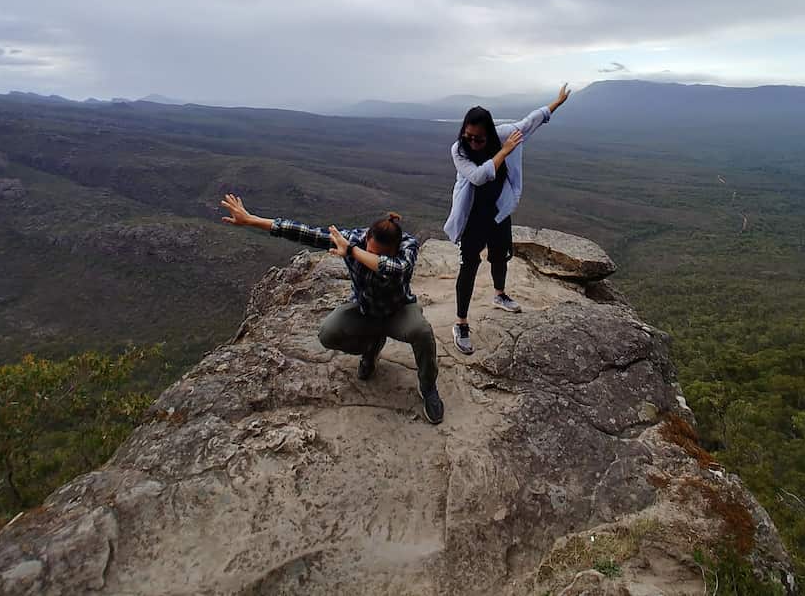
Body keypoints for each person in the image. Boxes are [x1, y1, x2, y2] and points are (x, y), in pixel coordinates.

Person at [220, 193, 443, 424]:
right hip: (364, 308)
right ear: (367, 236)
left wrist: (352, 252)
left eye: (380, 254)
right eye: (371, 250)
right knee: (328, 334)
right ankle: (371, 348)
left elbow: (395, 268)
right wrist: (252, 220)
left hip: (398, 309)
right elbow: (305, 232)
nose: (372, 256)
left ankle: (428, 388)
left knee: (422, 332)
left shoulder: (407, 246)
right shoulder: (351, 238)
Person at [443, 84, 571, 354]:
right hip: (472, 218)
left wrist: (555, 104)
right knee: (469, 265)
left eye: (478, 138)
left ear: (489, 132)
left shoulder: (503, 135)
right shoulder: (459, 150)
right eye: (468, 136)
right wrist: (503, 152)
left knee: (500, 255)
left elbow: (530, 122)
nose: (473, 142)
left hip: (497, 212)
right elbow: (479, 176)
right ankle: (461, 323)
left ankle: (499, 294)